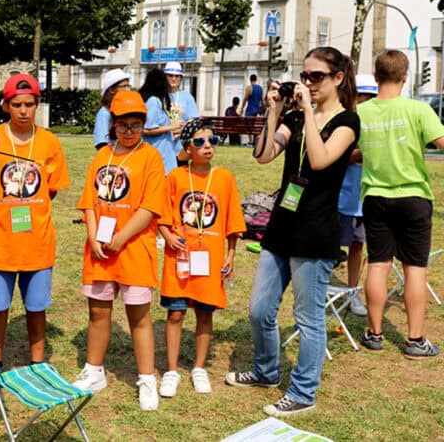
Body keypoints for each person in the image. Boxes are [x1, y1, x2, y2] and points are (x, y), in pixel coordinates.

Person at [226, 46, 359, 417]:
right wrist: (273, 111)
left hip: (316, 232)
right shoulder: (297, 117)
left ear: (337, 78)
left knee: (308, 317)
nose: (309, 83)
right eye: (305, 76)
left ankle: (303, 391)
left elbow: (319, 160)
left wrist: (308, 115)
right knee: (258, 310)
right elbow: (264, 154)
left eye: (316, 76)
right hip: (281, 224)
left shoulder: (348, 122)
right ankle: (267, 371)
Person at [0, 73, 70, 393]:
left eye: (30, 104)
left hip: (37, 242)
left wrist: (28, 206)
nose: (23, 110)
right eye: (16, 104)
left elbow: (52, 189)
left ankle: (37, 364)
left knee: (36, 307)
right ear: (5, 105)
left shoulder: (49, 142)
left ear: (37, 105)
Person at [74, 90, 166, 411]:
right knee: (98, 312)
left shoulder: (151, 157)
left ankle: (146, 379)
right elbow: (88, 202)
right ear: (112, 125)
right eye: (123, 124)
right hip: (100, 249)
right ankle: (94, 370)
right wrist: (93, 235)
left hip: (134, 247)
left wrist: (121, 237)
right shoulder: (103, 156)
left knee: (138, 317)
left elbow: (151, 207)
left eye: (136, 124)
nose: (129, 131)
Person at [357, 50, 444, 359]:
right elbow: (441, 142)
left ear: (376, 75)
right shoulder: (418, 110)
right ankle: (415, 340)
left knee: (379, 264)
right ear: (405, 77)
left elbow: (354, 153)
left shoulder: (362, 113)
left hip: (375, 197)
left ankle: (375, 333)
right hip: (414, 197)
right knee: (415, 269)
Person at [158, 118, 246, 397]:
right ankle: (171, 370)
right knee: (175, 313)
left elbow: (232, 220)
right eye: (199, 141)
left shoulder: (224, 178)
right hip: (181, 257)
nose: (207, 146)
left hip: (210, 258)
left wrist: (230, 255)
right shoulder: (175, 178)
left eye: (212, 140)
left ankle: (199, 367)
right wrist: (168, 235)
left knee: (205, 314)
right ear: (187, 147)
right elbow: (160, 213)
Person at [336, 74, 378, 317]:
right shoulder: (346, 121)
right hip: (341, 197)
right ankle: (321, 293)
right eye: (362, 95)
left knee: (357, 246)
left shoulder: (374, 122)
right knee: (331, 246)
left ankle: (353, 292)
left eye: (370, 96)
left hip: (365, 197)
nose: (365, 101)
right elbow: (343, 155)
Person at [141, 68, 183, 173]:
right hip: (159, 155)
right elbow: (147, 129)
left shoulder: (156, 101)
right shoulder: (153, 102)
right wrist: (172, 127)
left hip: (164, 153)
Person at [94, 68, 130, 150]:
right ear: (112, 90)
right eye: (124, 86)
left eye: (128, 86)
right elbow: (101, 144)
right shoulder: (104, 113)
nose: (128, 90)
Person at [242, 74, 264, 145]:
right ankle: (254, 140)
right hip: (257, 110)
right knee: (254, 125)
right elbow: (262, 100)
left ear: (250, 79)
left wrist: (242, 107)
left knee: (248, 125)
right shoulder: (260, 88)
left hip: (250, 109)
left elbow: (245, 98)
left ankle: (250, 141)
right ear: (256, 79)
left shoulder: (249, 87)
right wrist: (262, 109)